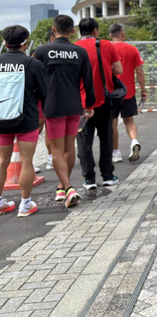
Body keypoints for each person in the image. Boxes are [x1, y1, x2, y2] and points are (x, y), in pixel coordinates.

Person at [33, 15, 95, 207]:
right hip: (74, 106)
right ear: (72, 31)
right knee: (69, 148)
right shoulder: (80, 52)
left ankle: (68, 187)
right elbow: (88, 80)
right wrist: (89, 105)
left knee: (57, 150)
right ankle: (62, 186)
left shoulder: (42, 51)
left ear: (53, 30)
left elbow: (34, 80)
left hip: (53, 106)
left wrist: (36, 106)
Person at [0, 26, 48, 217]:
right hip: (27, 119)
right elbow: (45, 94)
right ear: (26, 43)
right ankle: (25, 204)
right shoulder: (33, 64)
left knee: (2, 161)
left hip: (1, 119)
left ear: (5, 43)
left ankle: (0, 202)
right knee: (27, 161)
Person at [75, 18, 123, 188]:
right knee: (106, 138)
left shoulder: (74, 48)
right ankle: (108, 175)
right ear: (96, 30)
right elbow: (119, 69)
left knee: (84, 141)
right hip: (104, 99)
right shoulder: (106, 45)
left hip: (81, 103)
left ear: (79, 31)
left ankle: (89, 179)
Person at [109, 24, 146, 163]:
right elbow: (139, 72)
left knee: (113, 122)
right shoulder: (132, 49)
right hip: (128, 92)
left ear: (110, 35)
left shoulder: (107, 48)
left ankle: (116, 152)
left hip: (112, 92)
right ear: (123, 34)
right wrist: (143, 89)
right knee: (129, 121)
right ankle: (134, 141)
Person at [39, 29, 55, 171]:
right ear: (51, 38)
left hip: (50, 97)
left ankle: (51, 157)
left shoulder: (41, 52)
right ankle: (50, 158)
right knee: (40, 129)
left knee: (48, 129)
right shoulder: (41, 52)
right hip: (43, 97)